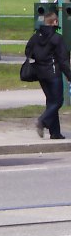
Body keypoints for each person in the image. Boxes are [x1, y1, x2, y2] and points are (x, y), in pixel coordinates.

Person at [26, 11, 71, 140]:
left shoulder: (36, 37)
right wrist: (69, 75)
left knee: (51, 101)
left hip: (40, 74)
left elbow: (28, 50)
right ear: (55, 22)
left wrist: (37, 60)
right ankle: (42, 121)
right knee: (58, 101)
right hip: (53, 73)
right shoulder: (57, 38)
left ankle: (55, 132)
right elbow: (63, 60)